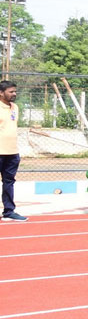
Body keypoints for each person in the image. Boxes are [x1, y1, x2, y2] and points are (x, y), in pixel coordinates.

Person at [0, 81, 25, 220]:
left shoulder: (15, 107)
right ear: (1, 93)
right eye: (11, 92)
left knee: (9, 182)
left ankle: (9, 211)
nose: (14, 94)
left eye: (15, 91)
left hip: (12, 152)